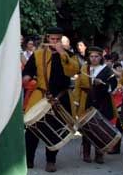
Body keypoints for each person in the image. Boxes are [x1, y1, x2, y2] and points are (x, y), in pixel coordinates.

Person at [22, 27, 80, 173]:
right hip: (41, 96)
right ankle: (29, 159)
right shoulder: (38, 54)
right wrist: (26, 78)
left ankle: (51, 161)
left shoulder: (69, 55)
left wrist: (62, 53)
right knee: (32, 129)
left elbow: (74, 70)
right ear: (47, 39)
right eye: (52, 39)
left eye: (58, 39)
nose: (54, 42)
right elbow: (28, 71)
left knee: (55, 130)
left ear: (62, 40)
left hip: (60, 97)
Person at [72, 46, 117, 164]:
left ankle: (99, 154)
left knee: (100, 128)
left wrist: (102, 84)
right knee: (87, 127)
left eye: (96, 56)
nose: (94, 59)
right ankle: (86, 153)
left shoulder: (106, 70)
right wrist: (76, 101)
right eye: (91, 56)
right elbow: (77, 86)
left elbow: (113, 85)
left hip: (102, 101)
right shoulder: (84, 68)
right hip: (87, 100)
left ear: (101, 57)